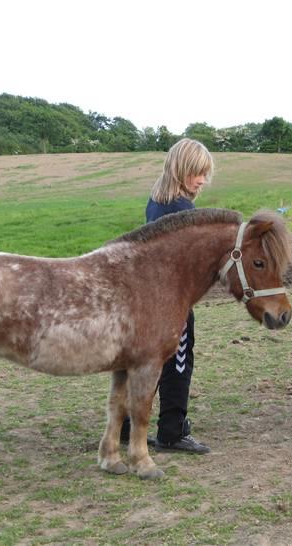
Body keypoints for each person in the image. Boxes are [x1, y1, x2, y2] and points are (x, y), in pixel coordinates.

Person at [121, 138, 213, 454]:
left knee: (148, 361)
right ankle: (173, 431)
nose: (202, 180)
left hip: (148, 296)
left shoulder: (156, 201)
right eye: (197, 173)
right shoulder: (181, 208)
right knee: (177, 363)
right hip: (172, 300)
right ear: (180, 169)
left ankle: (126, 426)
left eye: (205, 174)